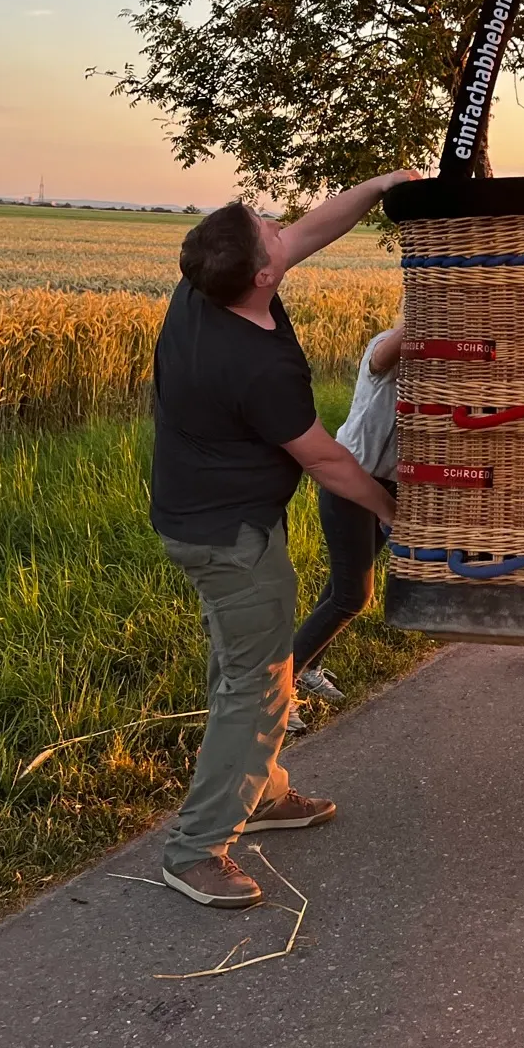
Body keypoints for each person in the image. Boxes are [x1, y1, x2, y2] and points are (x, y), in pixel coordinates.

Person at [150, 172, 418, 909]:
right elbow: (329, 461)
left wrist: (386, 183)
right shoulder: (259, 365)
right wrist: (394, 514)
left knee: (239, 666)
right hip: (227, 538)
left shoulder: (207, 286)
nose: (281, 226)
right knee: (259, 687)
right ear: (262, 276)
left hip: (206, 517)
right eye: (268, 229)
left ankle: (261, 793)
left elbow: (308, 229)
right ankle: (197, 849)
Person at [286, 320, 404, 730]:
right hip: (350, 481)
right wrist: (429, 302)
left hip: (388, 488)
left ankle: (310, 668)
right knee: (353, 596)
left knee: (341, 586)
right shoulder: (384, 347)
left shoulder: (433, 366)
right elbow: (384, 356)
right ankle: (279, 693)